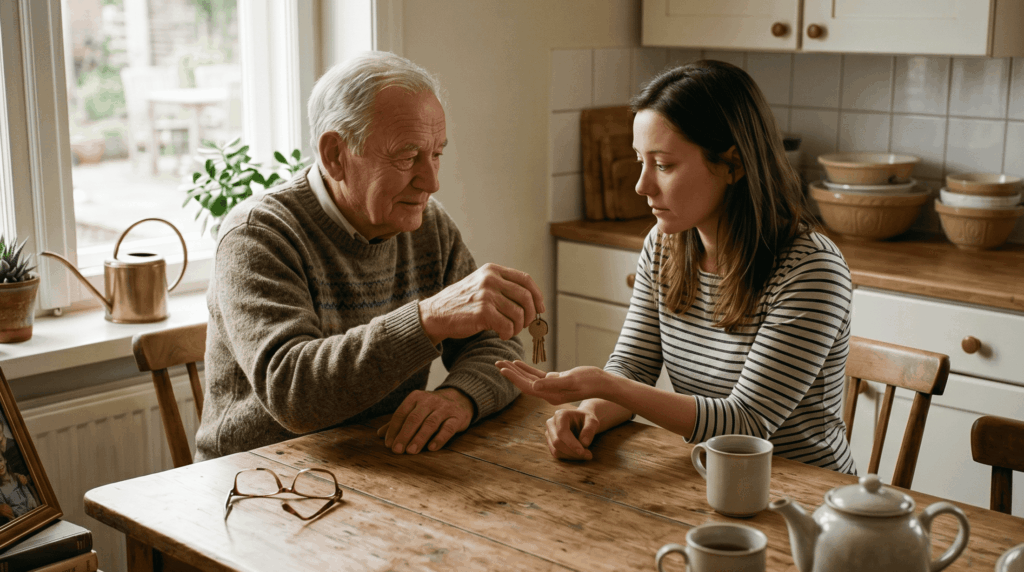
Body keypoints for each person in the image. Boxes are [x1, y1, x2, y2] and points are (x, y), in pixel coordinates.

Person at [499, 60, 856, 474]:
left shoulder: (811, 270)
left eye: (664, 165)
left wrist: (603, 384)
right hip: (709, 478)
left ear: (732, 165)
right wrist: (591, 412)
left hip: (807, 494)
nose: (642, 185)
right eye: (640, 161)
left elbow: (747, 423)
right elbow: (633, 366)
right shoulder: (665, 244)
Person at [197, 51, 544, 461]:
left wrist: (460, 397)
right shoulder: (258, 234)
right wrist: (428, 319)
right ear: (335, 155)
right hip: (258, 480)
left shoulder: (429, 226)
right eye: (407, 156)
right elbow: (294, 394)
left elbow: (497, 347)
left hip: (378, 461)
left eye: (436, 154)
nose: (431, 181)